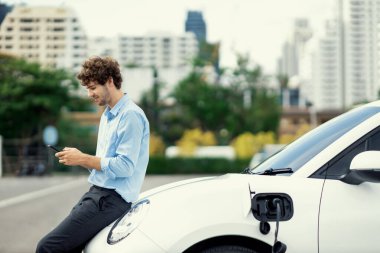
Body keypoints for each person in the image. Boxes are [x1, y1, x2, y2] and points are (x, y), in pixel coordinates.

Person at [36, 56, 150, 253]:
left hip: (112, 199)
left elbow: (125, 167)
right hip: (98, 194)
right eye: (87, 88)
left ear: (110, 81)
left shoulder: (130, 115)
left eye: (93, 87)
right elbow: (105, 163)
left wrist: (83, 158)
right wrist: (78, 158)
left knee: (47, 248)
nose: (89, 94)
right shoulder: (107, 115)